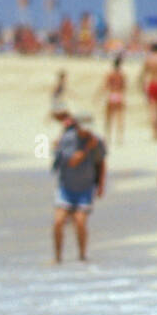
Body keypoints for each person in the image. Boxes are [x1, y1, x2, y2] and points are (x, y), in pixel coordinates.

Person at [51, 112, 105, 262]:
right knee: (58, 222)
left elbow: (101, 163)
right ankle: (58, 257)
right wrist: (88, 148)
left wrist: (100, 185)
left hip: (85, 188)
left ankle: (82, 255)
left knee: (80, 222)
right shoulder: (68, 139)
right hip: (66, 187)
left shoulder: (97, 141)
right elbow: (72, 161)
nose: (87, 131)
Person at [99, 56, 126, 145]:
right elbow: (124, 87)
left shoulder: (110, 74)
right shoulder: (122, 75)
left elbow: (105, 86)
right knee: (119, 118)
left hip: (111, 95)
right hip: (119, 95)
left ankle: (108, 137)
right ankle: (119, 138)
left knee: (109, 118)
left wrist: (98, 96)